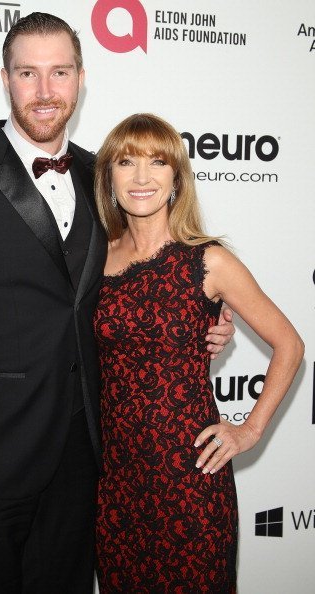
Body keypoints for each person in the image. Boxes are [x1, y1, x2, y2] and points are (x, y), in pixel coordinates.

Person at [0, 14, 234, 594]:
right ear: (5, 79)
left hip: (85, 458)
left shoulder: (102, 174)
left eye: (60, 73)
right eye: (29, 73)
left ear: (80, 79)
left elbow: (136, 276)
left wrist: (201, 320)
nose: (45, 91)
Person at [93, 113, 304, 593]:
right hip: (116, 486)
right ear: (109, 177)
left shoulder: (208, 260)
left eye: (157, 162)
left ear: (176, 179)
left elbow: (289, 344)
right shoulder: (93, 259)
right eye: (126, 162)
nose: (142, 177)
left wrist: (249, 430)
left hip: (190, 479)